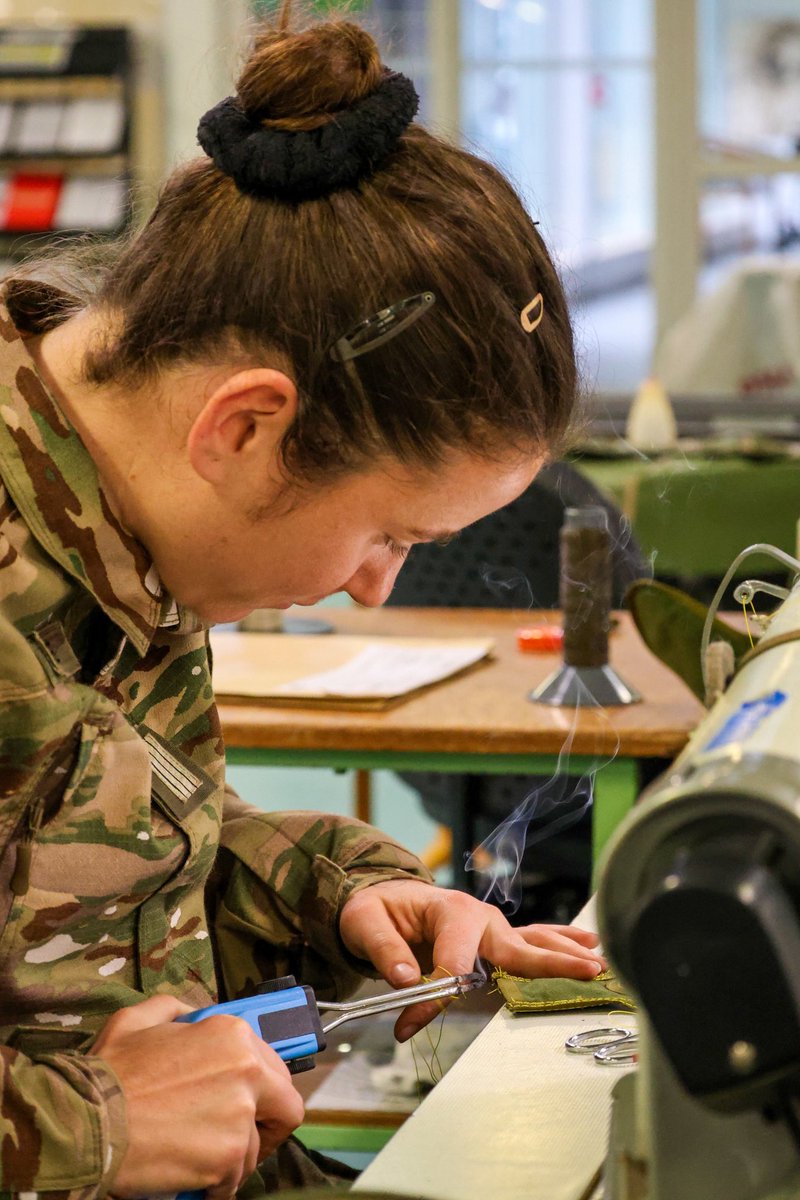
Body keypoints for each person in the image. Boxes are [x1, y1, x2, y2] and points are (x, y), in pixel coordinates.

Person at [0, 4, 605, 1198]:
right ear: (246, 426)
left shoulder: (127, 542)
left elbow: (103, 859)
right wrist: (90, 1131)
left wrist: (344, 894)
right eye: (388, 533)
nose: (377, 584)